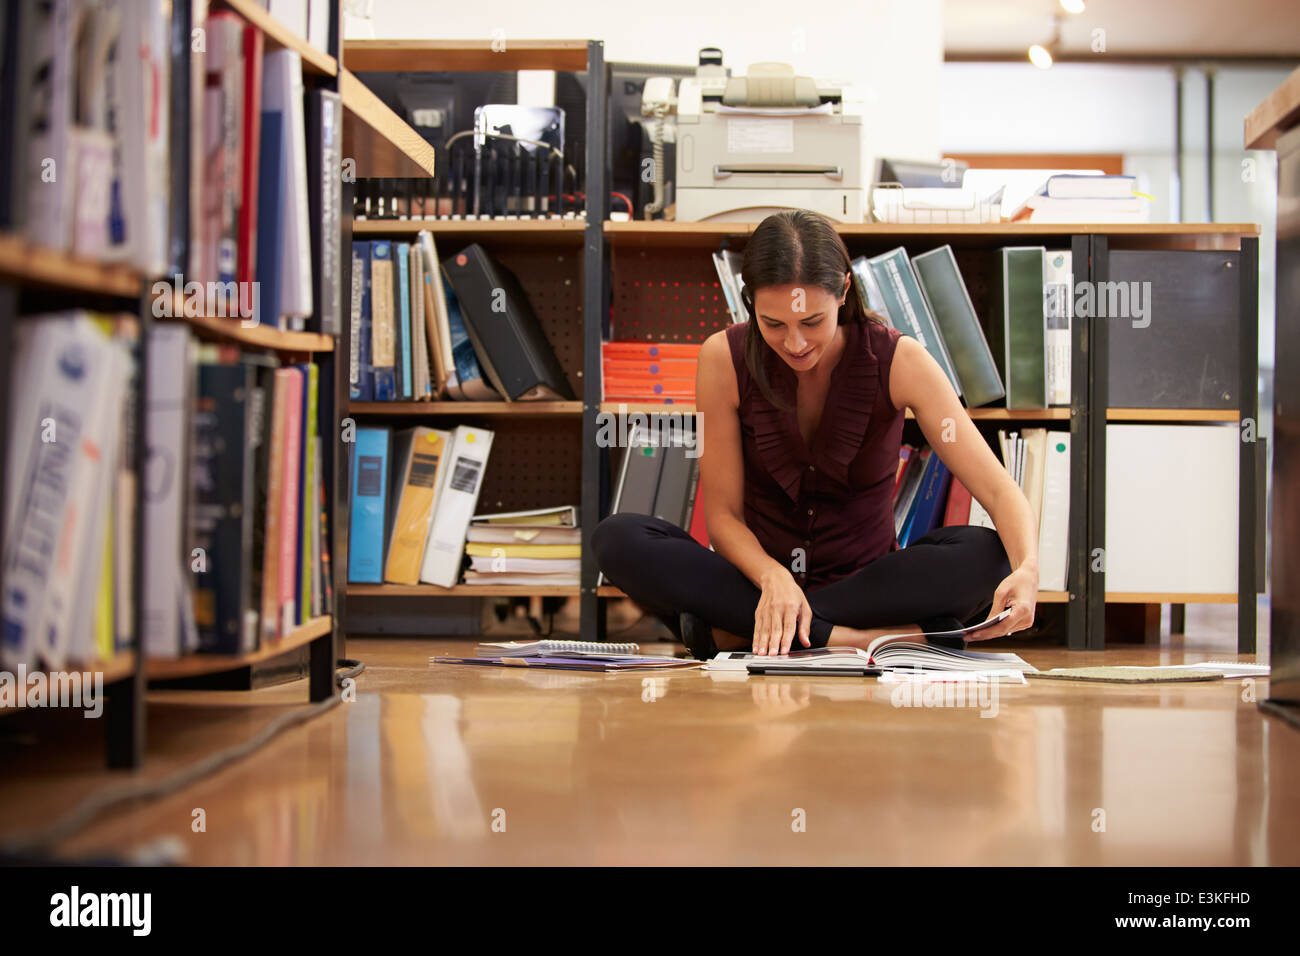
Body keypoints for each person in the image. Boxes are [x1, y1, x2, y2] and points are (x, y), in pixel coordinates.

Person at [592, 209, 1039, 659]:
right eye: (773, 324)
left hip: (869, 585)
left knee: (990, 554)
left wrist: (1028, 570)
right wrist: (773, 578)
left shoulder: (900, 359)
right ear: (750, 302)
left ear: (843, 291)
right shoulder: (721, 358)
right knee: (617, 538)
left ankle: (740, 632)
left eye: (812, 322)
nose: (795, 343)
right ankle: (857, 639)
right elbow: (724, 517)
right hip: (758, 582)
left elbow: (1000, 492)